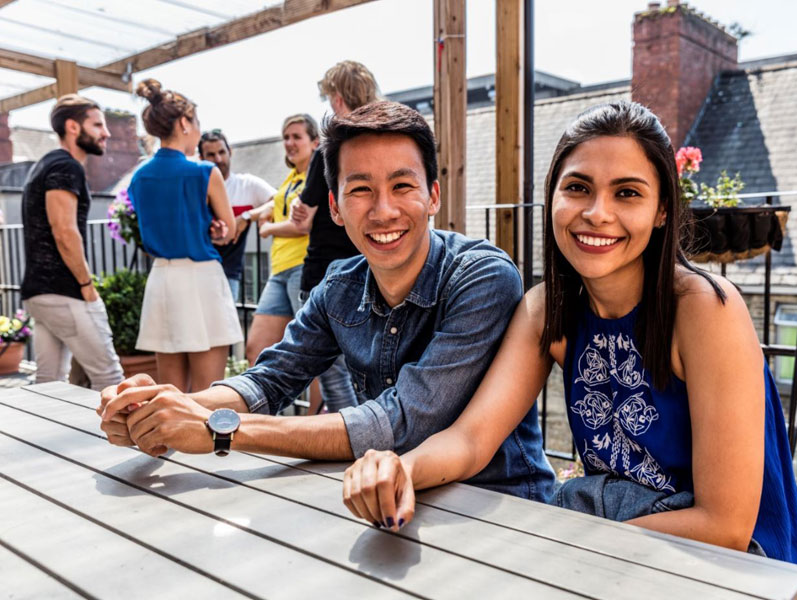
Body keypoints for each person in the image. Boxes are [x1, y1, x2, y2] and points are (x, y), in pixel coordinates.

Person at [341, 101, 797, 563]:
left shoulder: (704, 308)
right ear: (553, 198)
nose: (597, 213)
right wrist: (400, 467)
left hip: (730, 563)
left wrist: (564, 544)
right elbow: (472, 439)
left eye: (627, 193)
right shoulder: (547, 310)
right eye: (578, 187)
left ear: (663, 210)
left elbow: (725, 527)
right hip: (615, 541)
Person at [99, 101, 555, 503]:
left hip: (500, 503)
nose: (383, 210)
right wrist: (163, 409)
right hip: (382, 496)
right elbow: (269, 380)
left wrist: (218, 430)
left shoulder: (481, 276)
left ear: (433, 195)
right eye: (360, 190)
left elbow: (404, 422)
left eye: (402, 186)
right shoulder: (340, 286)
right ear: (335, 208)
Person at [127, 79, 241, 392]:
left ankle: (170, 444)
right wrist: (216, 232)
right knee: (207, 396)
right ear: (183, 122)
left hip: (163, 281)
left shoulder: (138, 178)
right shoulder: (205, 172)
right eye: (197, 122)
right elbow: (228, 230)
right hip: (201, 279)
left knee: (170, 395)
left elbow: (159, 229)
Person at [287, 60, 380, 414]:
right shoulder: (385, 143)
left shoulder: (330, 150)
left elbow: (305, 212)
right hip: (375, 271)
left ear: (338, 100)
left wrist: (298, 207)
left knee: (332, 371)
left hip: (327, 270)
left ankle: (353, 449)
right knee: (373, 369)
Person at [20, 94, 124, 391]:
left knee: (48, 384)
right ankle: (116, 440)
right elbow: (64, 231)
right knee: (110, 378)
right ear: (73, 127)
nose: (106, 132)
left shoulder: (46, 164)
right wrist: (86, 286)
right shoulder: (66, 167)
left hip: (41, 293)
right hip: (64, 291)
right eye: (98, 125)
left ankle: (40, 439)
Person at [244, 114, 319, 366]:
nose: (289, 143)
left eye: (297, 137)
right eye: (286, 137)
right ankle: (259, 405)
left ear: (315, 143)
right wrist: (251, 214)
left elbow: (301, 225)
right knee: (256, 349)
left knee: (312, 351)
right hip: (279, 270)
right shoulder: (292, 177)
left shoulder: (315, 178)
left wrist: (267, 229)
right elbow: (277, 203)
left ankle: (317, 408)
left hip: (302, 267)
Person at [197, 129, 277, 301]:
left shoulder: (246, 185)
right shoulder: (195, 188)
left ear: (230, 152)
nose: (218, 159)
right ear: (201, 159)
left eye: (221, 152)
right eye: (211, 155)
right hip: (195, 272)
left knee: (225, 326)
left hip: (228, 274)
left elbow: (280, 200)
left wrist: (246, 216)